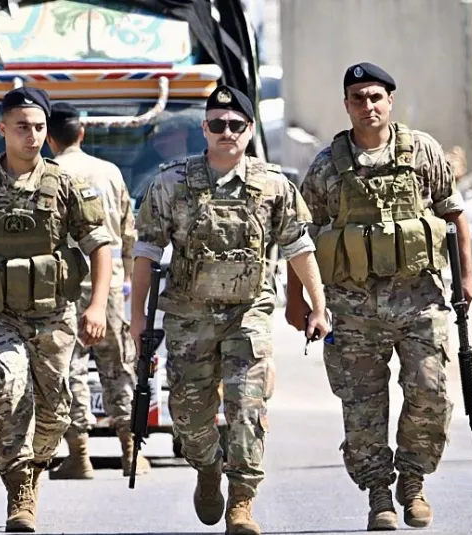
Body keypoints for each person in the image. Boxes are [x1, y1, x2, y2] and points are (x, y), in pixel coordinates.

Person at [131, 84, 329, 535]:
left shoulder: (273, 185)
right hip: (189, 318)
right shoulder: (171, 184)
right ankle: (207, 467)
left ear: (249, 129)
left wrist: (319, 306)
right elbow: (146, 253)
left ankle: (242, 501)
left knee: (247, 407)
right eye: (217, 124)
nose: (226, 132)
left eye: (235, 125)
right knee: (188, 417)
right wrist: (137, 319)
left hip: (248, 315)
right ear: (204, 129)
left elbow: (299, 248)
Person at [291, 62, 472, 531]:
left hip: (420, 301)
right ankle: (378, 494)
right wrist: (302, 302)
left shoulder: (423, 152)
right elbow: (300, 237)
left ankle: (412, 482)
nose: (367, 106)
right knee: (362, 406)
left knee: (431, 391)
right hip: (352, 310)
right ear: (346, 105)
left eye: (375, 97)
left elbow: (453, 216)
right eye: (358, 98)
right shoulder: (327, 165)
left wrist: (466, 280)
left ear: (390, 101)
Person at [0, 86, 113, 532]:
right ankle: (18, 490)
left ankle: (33, 470)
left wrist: (97, 306)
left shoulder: (66, 185)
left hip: (52, 314)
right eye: (21, 127)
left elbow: (100, 246)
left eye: (38, 128)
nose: (31, 136)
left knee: (55, 412)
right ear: (2, 129)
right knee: (8, 387)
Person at [42, 102, 150, 480]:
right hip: (110, 288)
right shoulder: (109, 172)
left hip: (61, 290)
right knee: (119, 366)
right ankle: (130, 452)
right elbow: (129, 234)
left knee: (69, 368)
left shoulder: (47, 173)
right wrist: (129, 279)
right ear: (82, 133)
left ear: (49, 138)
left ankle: (79, 455)